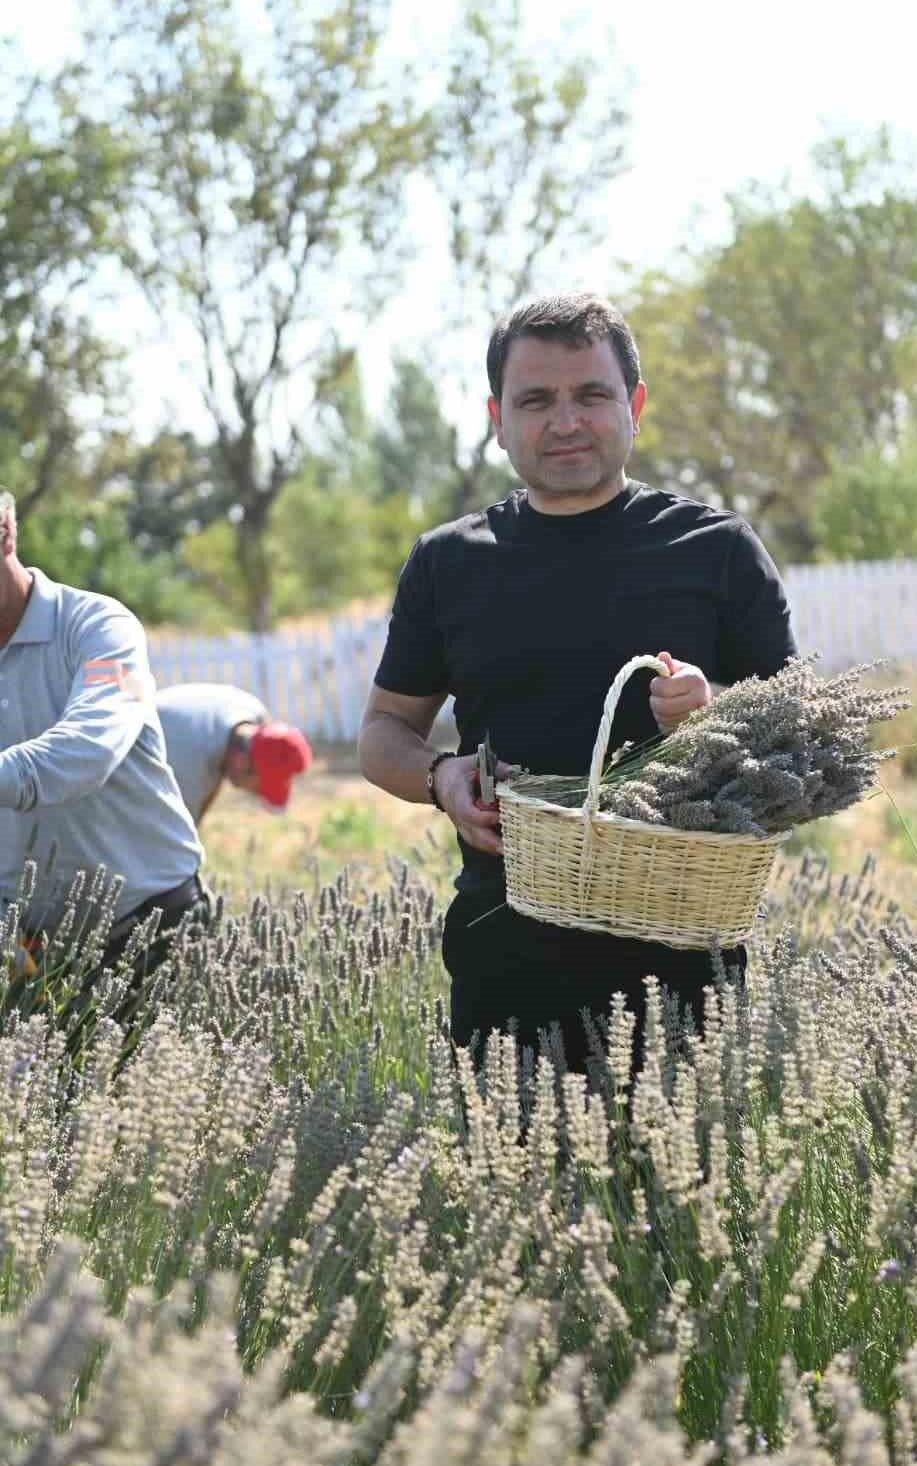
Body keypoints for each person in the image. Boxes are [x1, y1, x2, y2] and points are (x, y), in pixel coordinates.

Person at [357, 293, 798, 1074]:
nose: (566, 420)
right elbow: (383, 732)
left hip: (684, 952)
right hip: (508, 950)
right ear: (498, 417)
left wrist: (717, 710)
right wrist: (439, 776)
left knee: (689, 1193)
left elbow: (801, 735)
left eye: (591, 395)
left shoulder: (716, 550)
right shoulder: (448, 563)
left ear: (634, 406)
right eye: (536, 400)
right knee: (513, 1191)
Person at [0, 489, 209, 1006]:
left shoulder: (101, 629)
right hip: (23, 939)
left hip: (147, 926)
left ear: (4, 531)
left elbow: (90, 746)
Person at [154, 682, 312, 826]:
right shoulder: (190, 767)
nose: (250, 793)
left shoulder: (253, 710)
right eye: (256, 789)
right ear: (242, 762)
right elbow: (175, 837)